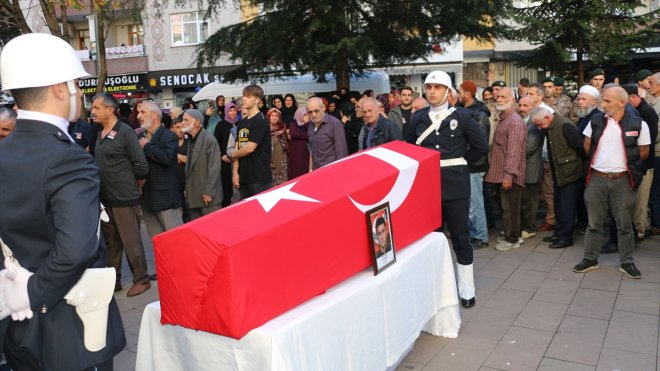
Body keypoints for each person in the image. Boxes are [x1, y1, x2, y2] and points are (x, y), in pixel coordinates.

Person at [0, 32, 125, 370]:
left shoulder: (6, 150)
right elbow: (76, 249)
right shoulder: (67, 157)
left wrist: (13, 284)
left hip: (19, 327)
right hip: (71, 331)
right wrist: (32, 292)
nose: (79, 93)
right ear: (60, 88)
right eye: (75, 84)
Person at [405, 71, 488, 309]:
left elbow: (481, 147)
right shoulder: (418, 118)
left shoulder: (462, 116)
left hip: (456, 185)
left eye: (437, 87)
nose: (432, 91)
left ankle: (466, 289)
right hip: (427, 187)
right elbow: (409, 148)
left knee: (461, 238)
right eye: (429, 87)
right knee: (431, 239)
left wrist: (461, 163)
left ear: (448, 91)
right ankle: (436, 289)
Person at [573, 86, 651, 279]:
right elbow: (587, 144)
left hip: (623, 179)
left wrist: (622, 167)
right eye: (602, 100)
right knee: (594, 223)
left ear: (622, 102)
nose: (603, 104)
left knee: (624, 224)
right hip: (597, 179)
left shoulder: (639, 124)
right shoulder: (596, 120)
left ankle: (627, 262)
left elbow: (644, 151)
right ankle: (590, 259)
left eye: (607, 101)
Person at [92, 93, 151, 296]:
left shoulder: (125, 133)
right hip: (106, 199)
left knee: (131, 241)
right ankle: (113, 281)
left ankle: (141, 280)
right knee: (111, 245)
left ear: (110, 110)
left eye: (96, 108)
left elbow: (141, 166)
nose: (92, 111)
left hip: (125, 199)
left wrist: (135, 187)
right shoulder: (99, 133)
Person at [531, 107, 585, 249]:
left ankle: (566, 237)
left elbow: (581, 147)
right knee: (559, 206)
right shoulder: (550, 127)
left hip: (570, 173)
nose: (538, 128)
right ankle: (559, 233)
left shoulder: (564, 125)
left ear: (548, 118)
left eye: (539, 124)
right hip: (560, 172)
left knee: (567, 207)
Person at [485, 87, 528, 251]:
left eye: (503, 97)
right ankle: (512, 235)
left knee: (510, 209)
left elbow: (514, 152)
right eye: (497, 97)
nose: (499, 99)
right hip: (501, 173)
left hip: (509, 175)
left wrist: (508, 176)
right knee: (508, 208)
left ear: (513, 100)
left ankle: (512, 239)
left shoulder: (515, 122)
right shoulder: (505, 118)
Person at [137, 100, 183, 236]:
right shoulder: (140, 137)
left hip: (166, 199)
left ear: (154, 115)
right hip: (146, 199)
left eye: (142, 112)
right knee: (158, 246)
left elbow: (167, 158)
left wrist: (147, 146)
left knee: (175, 242)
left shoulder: (169, 136)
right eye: (138, 112)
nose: (138, 116)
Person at [458, 80, 491, 249]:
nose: (458, 94)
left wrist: (466, 158)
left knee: (476, 204)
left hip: (475, 165)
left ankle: (481, 237)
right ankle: (474, 234)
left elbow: (479, 143)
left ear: (468, 94)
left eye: (460, 91)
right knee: (471, 203)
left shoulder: (480, 114)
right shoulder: (467, 111)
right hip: (469, 164)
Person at [181, 109, 223, 218]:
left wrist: (209, 192)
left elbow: (214, 168)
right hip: (195, 196)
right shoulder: (192, 139)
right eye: (182, 120)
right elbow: (190, 168)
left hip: (208, 197)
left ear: (197, 122)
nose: (182, 123)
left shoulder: (209, 139)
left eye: (186, 120)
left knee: (212, 230)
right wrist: (187, 189)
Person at [232, 85, 273, 199]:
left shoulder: (261, 120)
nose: (244, 99)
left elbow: (250, 148)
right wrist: (235, 173)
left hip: (259, 178)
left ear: (257, 100)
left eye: (248, 96)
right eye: (243, 96)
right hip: (243, 178)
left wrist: (232, 154)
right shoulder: (241, 123)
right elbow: (237, 147)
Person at [517, 96, 544, 240]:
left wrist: (511, 154)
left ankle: (530, 227)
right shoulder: (519, 120)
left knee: (530, 200)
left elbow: (529, 147)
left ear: (533, 107)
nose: (522, 108)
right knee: (521, 199)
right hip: (520, 167)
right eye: (520, 105)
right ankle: (520, 226)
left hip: (531, 167)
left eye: (525, 105)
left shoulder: (534, 124)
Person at [307, 97, 348, 170]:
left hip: (331, 172)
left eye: (316, 111)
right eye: (310, 112)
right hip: (315, 172)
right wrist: (310, 169)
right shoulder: (310, 125)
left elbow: (341, 153)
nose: (313, 115)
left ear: (323, 108)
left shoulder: (335, 124)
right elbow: (311, 150)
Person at [215, 102, 240, 208]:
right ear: (226, 111)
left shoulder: (241, 124)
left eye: (234, 110)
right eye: (230, 110)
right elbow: (215, 143)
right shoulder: (221, 125)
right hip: (225, 161)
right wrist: (222, 155)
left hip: (239, 160)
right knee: (227, 186)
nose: (233, 112)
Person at [267, 108, 289, 186]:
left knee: (283, 186)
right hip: (271, 162)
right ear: (268, 117)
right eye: (272, 115)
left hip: (283, 161)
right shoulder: (266, 130)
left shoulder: (282, 128)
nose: (274, 117)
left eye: (276, 115)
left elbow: (286, 143)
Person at [288, 107, 310, 179]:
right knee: (296, 172)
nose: (307, 117)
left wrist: (307, 123)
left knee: (305, 171)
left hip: (305, 152)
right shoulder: (294, 123)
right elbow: (293, 133)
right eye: (304, 115)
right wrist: (305, 135)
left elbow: (310, 134)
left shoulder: (309, 124)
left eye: (307, 114)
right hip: (296, 153)